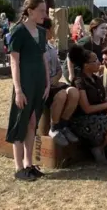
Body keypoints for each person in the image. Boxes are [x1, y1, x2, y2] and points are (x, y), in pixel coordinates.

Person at [6, 0, 50, 181]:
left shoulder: (41, 32)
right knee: (20, 124)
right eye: (41, 10)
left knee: (33, 123)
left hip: (39, 83)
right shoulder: (18, 32)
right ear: (30, 11)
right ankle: (18, 167)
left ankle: (28, 164)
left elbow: (44, 58)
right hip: (24, 84)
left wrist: (47, 82)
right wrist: (18, 90)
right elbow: (14, 63)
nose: (45, 14)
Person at [42, 18, 80, 146]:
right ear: (47, 30)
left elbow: (58, 69)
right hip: (44, 87)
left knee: (74, 92)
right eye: (52, 28)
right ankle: (54, 128)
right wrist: (48, 82)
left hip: (54, 83)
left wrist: (56, 78)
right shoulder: (37, 48)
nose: (54, 30)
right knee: (62, 94)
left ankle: (63, 125)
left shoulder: (51, 47)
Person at [64, 18, 107, 83]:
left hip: (86, 69)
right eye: (102, 28)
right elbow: (69, 56)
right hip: (74, 69)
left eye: (106, 28)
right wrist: (71, 74)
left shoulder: (102, 42)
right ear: (94, 29)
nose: (105, 30)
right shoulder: (86, 42)